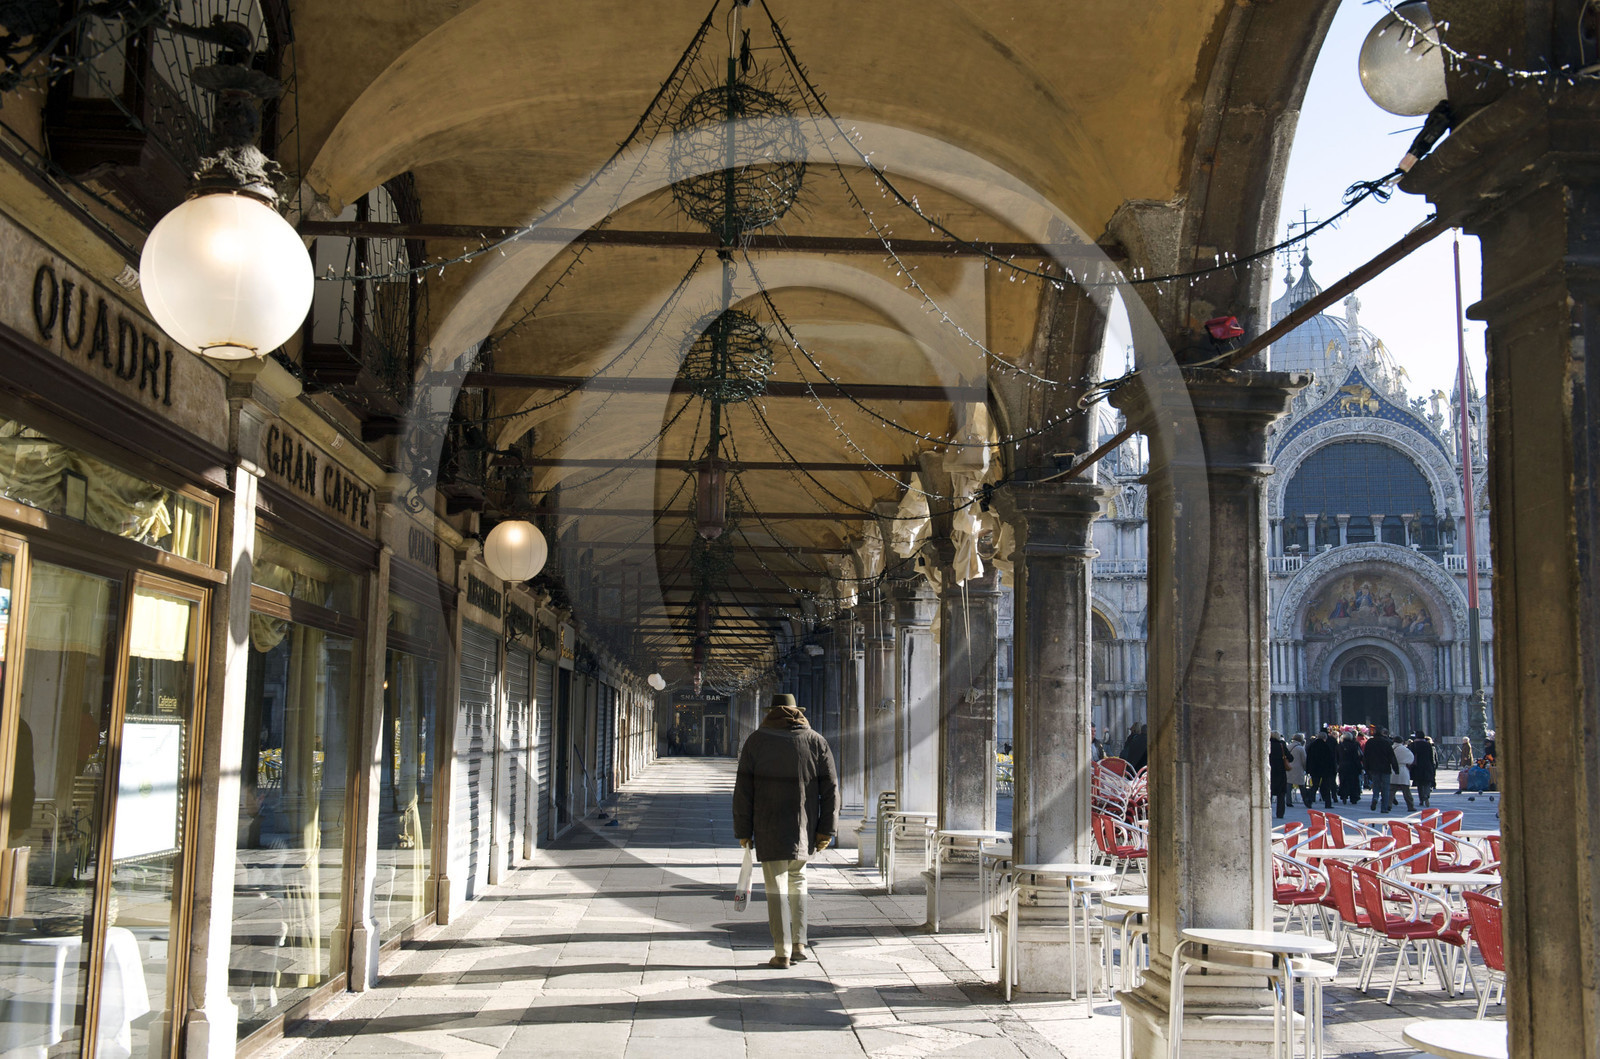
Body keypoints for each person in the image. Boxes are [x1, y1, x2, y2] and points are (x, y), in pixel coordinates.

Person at [732, 693, 838, 969]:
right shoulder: (816, 741)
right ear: (796, 712)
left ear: (771, 712)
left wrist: (743, 830)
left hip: (769, 827)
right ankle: (800, 943)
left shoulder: (756, 741)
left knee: (776, 889)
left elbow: (743, 791)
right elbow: (831, 790)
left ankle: (782, 952)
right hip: (805, 828)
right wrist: (826, 829)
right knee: (798, 883)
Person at [1362, 727, 1399, 813]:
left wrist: (1366, 769)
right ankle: (1384, 808)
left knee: (1376, 785)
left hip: (1374, 768)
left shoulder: (1370, 742)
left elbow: (1366, 756)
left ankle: (1375, 798)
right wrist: (1395, 768)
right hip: (1385, 768)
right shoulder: (1386, 742)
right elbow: (1391, 756)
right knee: (1386, 788)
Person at [1305, 727, 1336, 809]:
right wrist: (1333, 770)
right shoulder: (1326, 746)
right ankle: (1328, 803)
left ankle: (1309, 800)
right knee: (1326, 786)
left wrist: (1308, 769)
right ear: (1324, 738)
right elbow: (1331, 759)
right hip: (1325, 770)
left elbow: (1308, 759)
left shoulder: (1312, 746)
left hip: (1314, 769)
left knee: (1314, 785)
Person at [1409, 730, 1437, 807]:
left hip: (1417, 767)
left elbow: (1410, 756)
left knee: (1419, 784)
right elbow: (1431, 757)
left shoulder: (1412, 745)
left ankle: (1421, 799)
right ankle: (1426, 795)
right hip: (1427, 765)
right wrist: (1433, 766)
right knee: (1427, 783)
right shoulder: (1428, 745)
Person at [1392, 735, 1416, 813]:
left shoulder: (1391, 748)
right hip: (1403, 770)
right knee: (1406, 791)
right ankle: (1410, 806)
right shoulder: (1405, 749)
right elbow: (1411, 758)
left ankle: (1387, 805)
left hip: (1393, 770)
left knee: (1391, 790)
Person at [1269, 731, 1291, 820]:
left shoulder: (1267, 744)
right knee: (1281, 794)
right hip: (1280, 772)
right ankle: (1280, 813)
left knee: (1268, 793)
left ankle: (1267, 811)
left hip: (1270, 772)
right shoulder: (1281, 745)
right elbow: (1290, 757)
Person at [1287, 733, 1308, 807]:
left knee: (1289, 785)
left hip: (1289, 767)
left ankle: (1288, 801)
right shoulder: (1300, 748)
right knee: (1301, 785)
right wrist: (1305, 768)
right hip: (1298, 768)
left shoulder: (1288, 746)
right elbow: (1304, 760)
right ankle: (1306, 801)